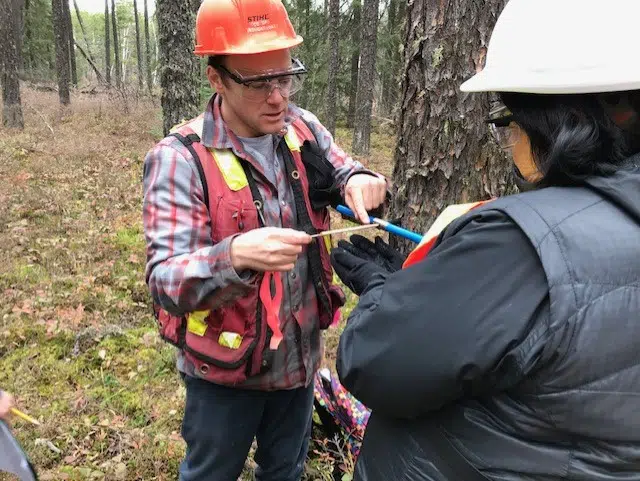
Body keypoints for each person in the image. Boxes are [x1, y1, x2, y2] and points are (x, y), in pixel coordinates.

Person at [329, 0, 640, 479]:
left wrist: (381, 292)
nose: (511, 139)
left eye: (511, 120)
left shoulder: (522, 243)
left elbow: (374, 361)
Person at [142, 0, 387, 479]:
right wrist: (235, 256)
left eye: (286, 77)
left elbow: (343, 170)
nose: (278, 97)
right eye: (258, 83)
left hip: (299, 360)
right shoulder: (180, 158)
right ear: (217, 79)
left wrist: (362, 179)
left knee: (286, 471)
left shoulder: (301, 128)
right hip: (223, 373)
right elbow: (165, 280)